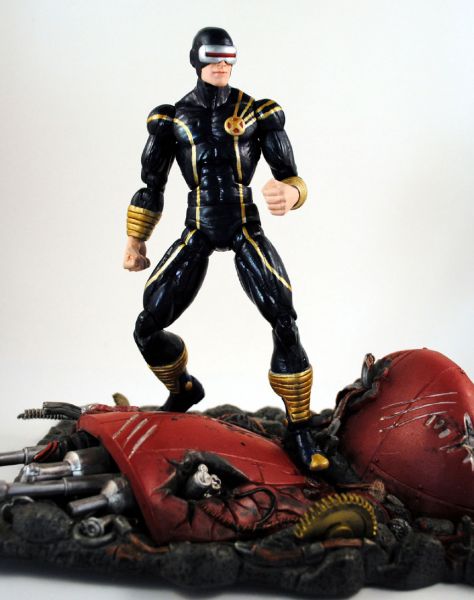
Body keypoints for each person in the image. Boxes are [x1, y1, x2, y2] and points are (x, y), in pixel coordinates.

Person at [123, 27, 327, 471]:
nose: (221, 65)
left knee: (284, 318)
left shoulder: (256, 112)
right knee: (147, 326)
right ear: (195, 60)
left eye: (228, 57)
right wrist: (136, 240)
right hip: (197, 225)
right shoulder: (172, 119)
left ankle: (300, 430)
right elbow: (151, 185)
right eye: (212, 56)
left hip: (242, 223)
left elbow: (291, 175)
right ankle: (183, 390)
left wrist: (292, 194)